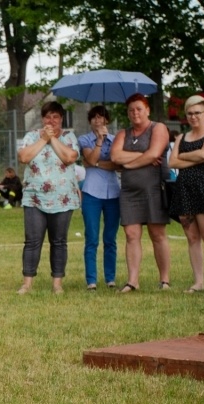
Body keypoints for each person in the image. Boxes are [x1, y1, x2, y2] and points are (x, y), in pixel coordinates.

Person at [16, 101, 80, 295]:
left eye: (56, 117)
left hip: (63, 198)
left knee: (59, 241)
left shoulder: (69, 137)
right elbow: (24, 157)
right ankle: (27, 283)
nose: (51, 120)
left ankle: (57, 283)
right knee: (32, 240)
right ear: (42, 118)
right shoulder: (31, 136)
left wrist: (53, 140)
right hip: (34, 197)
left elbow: (69, 158)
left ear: (61, 119)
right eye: (47, 116)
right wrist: (44, 139)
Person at [110, 93, 171, 293]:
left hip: (153, 187)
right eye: (131, 110)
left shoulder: (158, 128)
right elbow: (115, 156)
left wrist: (128, 163)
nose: (135, 113)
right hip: (129, 191)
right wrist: (139, 156)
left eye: (139, 109)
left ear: (147, 110)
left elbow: (155, 153)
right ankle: (133, 281)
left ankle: (164, 280)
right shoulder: (122, 133)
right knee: (131, 234)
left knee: (157, 233)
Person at [168, 95, 204, 296]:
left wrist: (184, 156)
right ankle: (198, 282)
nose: (193, 117)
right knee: (192, 238)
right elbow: (172, 163)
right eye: (190, 113)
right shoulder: (181, 138)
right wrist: (193, 156)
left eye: (197, 113)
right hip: (185, 190)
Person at [78, 106, 121, 290]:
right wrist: (99, 141)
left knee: (110, 238)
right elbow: (90, 157)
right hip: (91, 192)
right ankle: (92, 280)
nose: (98, 120)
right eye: (94, 117)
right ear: (90, 121)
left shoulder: (116, 140)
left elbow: (117, 163)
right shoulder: (85, 139)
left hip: (113, 192)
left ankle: (110, 278)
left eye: (101, 117)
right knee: (92, 237)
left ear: (106, 120)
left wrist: (95, 163)